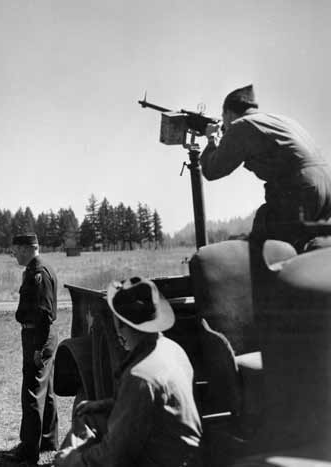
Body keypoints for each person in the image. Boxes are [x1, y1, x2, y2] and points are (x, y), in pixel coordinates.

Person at [54, 278, 202, 467]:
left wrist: (73, 461)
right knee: (91, 417)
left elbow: (113, 456)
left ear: (122, 325)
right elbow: (153, 406)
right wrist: (106, 404)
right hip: (180, 453)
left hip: (164, 460)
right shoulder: (172, 349)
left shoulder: (141, 375)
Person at [200, 84, 331, 250]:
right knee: (306, 247)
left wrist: (211, 140)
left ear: (229, 113)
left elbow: (212, 170)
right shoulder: (279, 120)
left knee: (265, 238)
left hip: (301, 189)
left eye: (222, 116)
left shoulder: (241, 125)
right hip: (325, 187)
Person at [5, 233, 59, 464]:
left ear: (27, 248)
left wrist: (38, 348)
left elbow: (45, 314)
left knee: (32, 391)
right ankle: (47, 440)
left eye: (15, 249)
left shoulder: (39, 273)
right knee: (44, 391)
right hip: (37, 335)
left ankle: (29, 450)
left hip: (39, 336)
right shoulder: (36, 269)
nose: (13, 254)